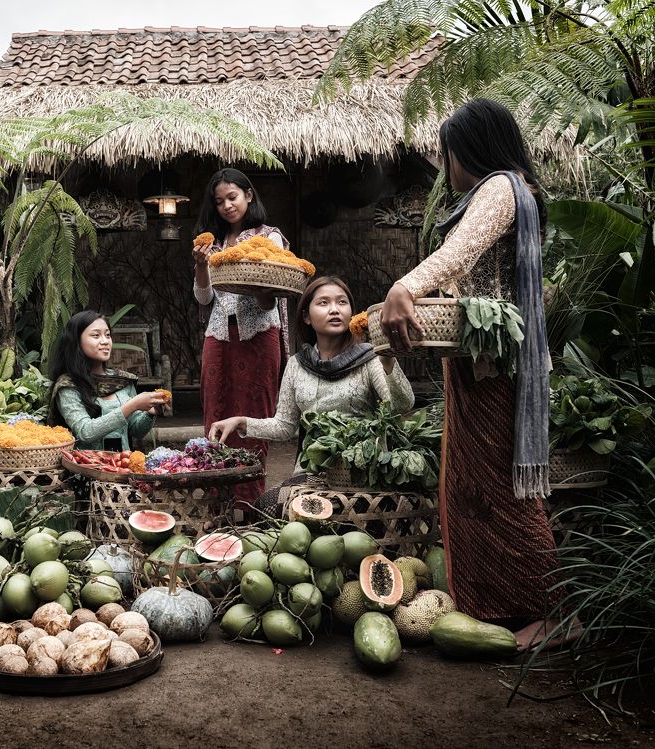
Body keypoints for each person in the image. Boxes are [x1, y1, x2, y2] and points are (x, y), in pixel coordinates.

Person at [378, 98, 579, 652]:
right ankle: (493, 606)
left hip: (494, 370)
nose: (447, 168)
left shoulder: (500, 187)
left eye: (449, 155)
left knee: (502, 491)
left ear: (472, 149)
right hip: (476, 365)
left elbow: (459, 254)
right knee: (472, 487)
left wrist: (405, 286)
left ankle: (552, 611)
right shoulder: (501, 191)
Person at [209, 276, 413, 517]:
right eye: (324, 303)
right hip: (311, 473)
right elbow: (285, 426)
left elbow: (402, 405)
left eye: (342, 302)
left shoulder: (370, 358)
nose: (335, 309)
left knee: (345, 516)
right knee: (268, 507)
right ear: (306, 316)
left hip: (361, 472)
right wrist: (241, 422)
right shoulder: (297, 364)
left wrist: (388, 358)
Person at [192, 167, 290, 507]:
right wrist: (201, 265)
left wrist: (261, 288)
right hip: (218, 335)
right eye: (219, 201)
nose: (227, 206)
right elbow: (204, 298)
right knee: (214, 411)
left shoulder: (269, 237)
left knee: (255, 412)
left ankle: (250, 505)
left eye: (232, 197)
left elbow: (268, 300)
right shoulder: (212, 244)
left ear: (249, 195)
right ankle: (217, 500)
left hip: (258, 335)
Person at [48, 311, 166, 450]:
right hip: (87, 462)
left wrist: (151, 413)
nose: (105, 341)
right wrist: (132, 405)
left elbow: (136, 430)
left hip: (122, 461)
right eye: (96, 335)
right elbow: (85, 432)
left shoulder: (121, 380)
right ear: (77, 341)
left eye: (108, 335)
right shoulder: (68, 385)